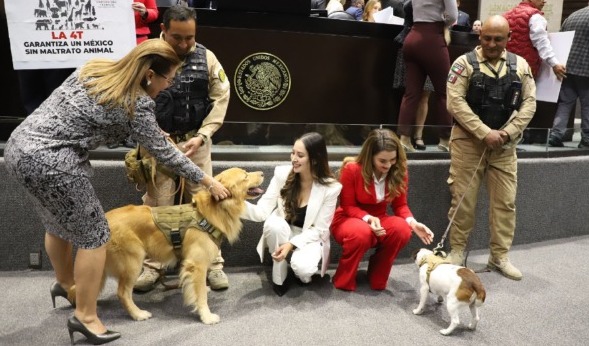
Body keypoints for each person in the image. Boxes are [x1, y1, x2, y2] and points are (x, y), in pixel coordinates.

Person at [3, 39, 230, 345]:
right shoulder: (138, 105)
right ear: (150, 74)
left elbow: (93, 116)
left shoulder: (95, 69)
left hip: (19, 149)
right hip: (54, 163)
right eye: (168, 79)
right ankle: (86, 317)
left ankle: (66, 283)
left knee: (55, 224)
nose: (169, 86)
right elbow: (168, 155)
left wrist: (148, 131)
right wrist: (208, 181)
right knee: (96, 236)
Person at [134, 5, 232, 293]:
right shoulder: (145, 56)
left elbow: (221, 96)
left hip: (195, 143)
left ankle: (213, 265)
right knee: (157, 207)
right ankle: (153, 267)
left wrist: (203, 135)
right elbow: (133, 96)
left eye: (190, 37)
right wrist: (152, 133)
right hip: (157, 145)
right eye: (177, 37)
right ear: (162, 30)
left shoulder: (207, 57)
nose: (185, 44)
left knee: (207, 206)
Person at [445, 15, 537, 280]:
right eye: (487, 38)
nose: (492, 44)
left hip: (505, 148)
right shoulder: (463, 64)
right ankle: (457, 252)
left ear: (509, 39)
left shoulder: (520, 65)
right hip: (468, 145)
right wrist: (484, 133)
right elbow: (455, 103)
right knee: (463, 202)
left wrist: (507, 132)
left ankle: (499, 257)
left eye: (498, 39)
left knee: (505, 203)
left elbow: (529, 103)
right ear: (479, 36)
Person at [330, 129, 434, 291]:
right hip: (349, 218)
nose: (388, 165)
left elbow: (400, 206)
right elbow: (347, 206)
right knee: (361, 232)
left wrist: (413, 223)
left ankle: (377, 274)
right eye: (382, 161)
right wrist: (368, 219)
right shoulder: (352, 169)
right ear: (370, 155)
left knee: (402, 229)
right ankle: (343, 278)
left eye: (393, 159)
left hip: (380, 218)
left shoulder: (399, 171)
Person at [242, 133, 342, 296]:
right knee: (274, 225)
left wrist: (291, 245)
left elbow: (319, 230)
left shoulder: (331, 188)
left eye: (300, 155)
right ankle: (278, 277)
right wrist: (232, 204)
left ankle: (299, 270)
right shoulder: (281, 174)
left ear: (315, 159)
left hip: (309, 235)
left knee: (303, 270)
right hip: (282, 228)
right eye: (293, 152)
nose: (293, 158)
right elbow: (262, 212)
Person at [397, 0, 457, 152]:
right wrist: (442, 19)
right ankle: (444, 139)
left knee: (410, 94)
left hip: (412, 37)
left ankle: (404, 139)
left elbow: (407, 6)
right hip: (432, 39)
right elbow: (453, 16)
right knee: (445, 92)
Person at [503, 0, 566, 145]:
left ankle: (507, 136)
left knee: (508, 101)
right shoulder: (535, 16)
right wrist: (554, 63)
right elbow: (541, 42)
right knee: (522, 104)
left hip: (506, 65)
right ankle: (515, 138)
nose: (545, 1)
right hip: (525, 67)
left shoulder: (508, 14)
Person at [393, 0, 435, 152]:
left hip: (432, 45)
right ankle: (405, 136)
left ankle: (418, 135)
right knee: (410, 93)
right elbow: (406, 8)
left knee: (425, 94)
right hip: (410, 40)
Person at [548, 4, 589, 149]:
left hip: (567, 68)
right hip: (586, 70)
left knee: (565, 103)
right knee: (587, 105)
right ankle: (586, 139)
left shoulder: (573, 15)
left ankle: (555, 134)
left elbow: (560, 38)